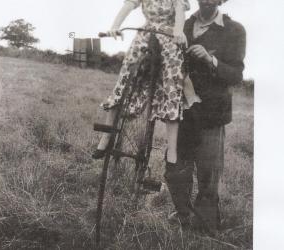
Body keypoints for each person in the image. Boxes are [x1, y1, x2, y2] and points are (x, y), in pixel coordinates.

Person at [164, 0, 246, 235]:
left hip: (212, 114)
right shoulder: (184, 24)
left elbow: (236, 75)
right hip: (181, 113)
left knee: (208, 174)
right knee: (176, 168)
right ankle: (183, 219)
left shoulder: (234, 30)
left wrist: (211, 60)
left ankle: (205, 228)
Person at [92, 0, 201, 169]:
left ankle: (172, 150)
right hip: (145, 35)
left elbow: (180, 10)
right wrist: (115, 26)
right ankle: (106, 136)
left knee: (173, 86)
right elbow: (129, 5)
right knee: (125, 76)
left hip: (169, 37)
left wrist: (178, 31)